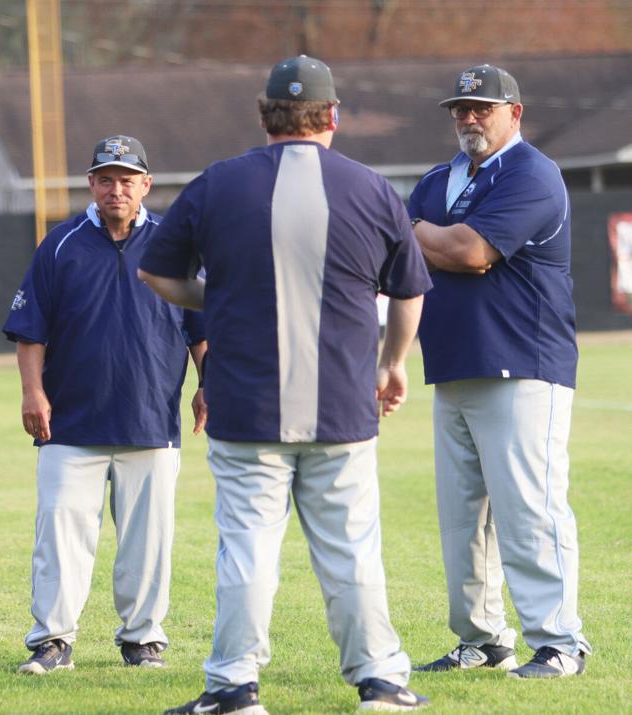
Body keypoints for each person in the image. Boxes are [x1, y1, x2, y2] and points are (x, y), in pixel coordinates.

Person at [138, 56, 432, 713]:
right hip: (342, 407)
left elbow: (156, 276)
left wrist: (215, 297)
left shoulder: (217, 184)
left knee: (246, 554)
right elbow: (409, 290)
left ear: (263, 115)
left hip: (245, 408)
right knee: (352, 553)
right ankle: (380, 681)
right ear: (332, 117)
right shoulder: (370, 188)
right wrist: (392, 362)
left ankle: (233, 688)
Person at [407, 64, 591, 678]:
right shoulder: (437, 180)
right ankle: (482, 638)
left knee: (530, 511)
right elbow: (397, 257)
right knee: (462, 521)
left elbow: (471, 252)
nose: (468, 117)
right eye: (460, 107)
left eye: (482, 107)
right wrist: (417, 234)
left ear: (515, 111)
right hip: (452, 364)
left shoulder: (534, 173)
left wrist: (412, 231)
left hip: (524, 363)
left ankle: (561, 643)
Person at [2, 135, 207, 675]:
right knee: (60, 539)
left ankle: (142, 640)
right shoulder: (61, 243)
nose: (116, 189)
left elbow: (202, 328)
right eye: (106, 178)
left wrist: (210, 382)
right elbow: (30, 330)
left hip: (151, 417)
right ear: (91, 183)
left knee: (148, 542)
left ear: (146, 184)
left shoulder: (174, 244)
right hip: (70, 422)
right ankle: (52, 641)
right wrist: (32, 391)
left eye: (127, 179)